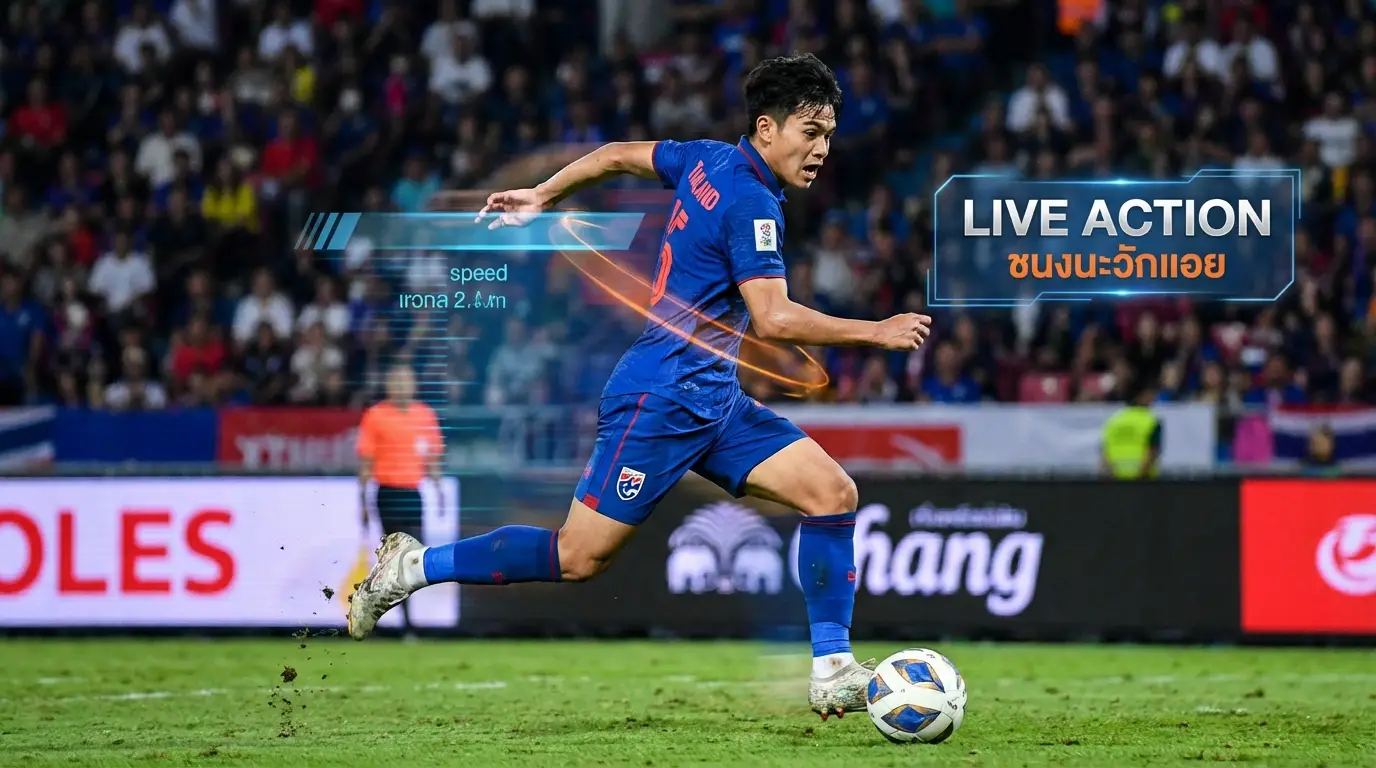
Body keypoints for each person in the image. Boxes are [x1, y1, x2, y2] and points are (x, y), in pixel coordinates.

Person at [346, 54, 932, 719]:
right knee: (577, 557)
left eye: (828, 134)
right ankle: (414, 567)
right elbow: (773, 318)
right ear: (767, 128)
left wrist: (544, 194)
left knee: (832, 494)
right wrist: (875, 331)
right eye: (810, 132)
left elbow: (615, 156)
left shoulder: (706, 158)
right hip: (662, 397)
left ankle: (833, 670)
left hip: (715, 399)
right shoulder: (750, 201)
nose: (822, 148)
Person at [355, 364, 445, 638]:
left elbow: (432, 458)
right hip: (388, 493)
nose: (402, 387)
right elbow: (366, 462)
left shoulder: (424, 415)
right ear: (389, 386)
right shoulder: (376, 416)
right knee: (398, 558)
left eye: (407, 381)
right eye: (397, 382)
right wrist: (362, 501)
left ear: (414, 385)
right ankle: (405, 624)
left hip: (413, 494)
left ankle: (383, 611)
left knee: (414, 558)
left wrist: (439, 489)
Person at [1100, 381, 1162, 480]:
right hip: (1144, 481)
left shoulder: (1113, 420)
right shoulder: (1151, 421)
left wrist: (1112, 479)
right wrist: (1137, 480)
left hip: (1116, 481)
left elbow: (1104, 454)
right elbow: (1152, 452)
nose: (1153, 399)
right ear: (1140, 396)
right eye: (1150, 396)